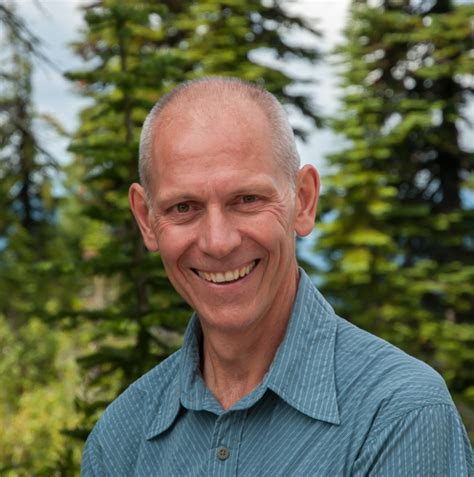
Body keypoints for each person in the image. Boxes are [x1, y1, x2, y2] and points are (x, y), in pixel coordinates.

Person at [81, 77, 472, 476]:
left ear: (304, 201)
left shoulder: (399, 416)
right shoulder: (119, 441)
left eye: (247, 199)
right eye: (184, 207)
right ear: (146, 219)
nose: (218, 242)